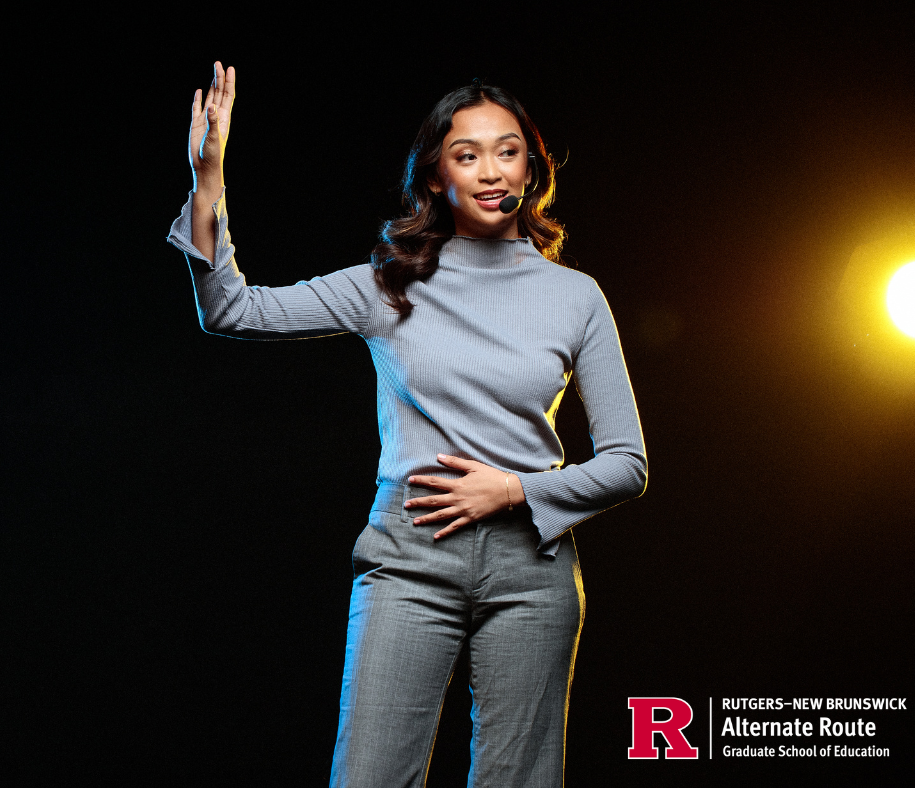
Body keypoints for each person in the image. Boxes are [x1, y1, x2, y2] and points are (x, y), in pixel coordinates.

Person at [167, 62, 647, 788]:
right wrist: (210, 178)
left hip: (534, 568)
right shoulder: (388, 283)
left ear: (531, 166)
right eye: (467, 154)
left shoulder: (575, 297)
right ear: (434, 177)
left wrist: (515, 491)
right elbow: (233, 310)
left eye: (508, 149)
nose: (491, 170)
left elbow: (627, 463)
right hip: (409, 557)